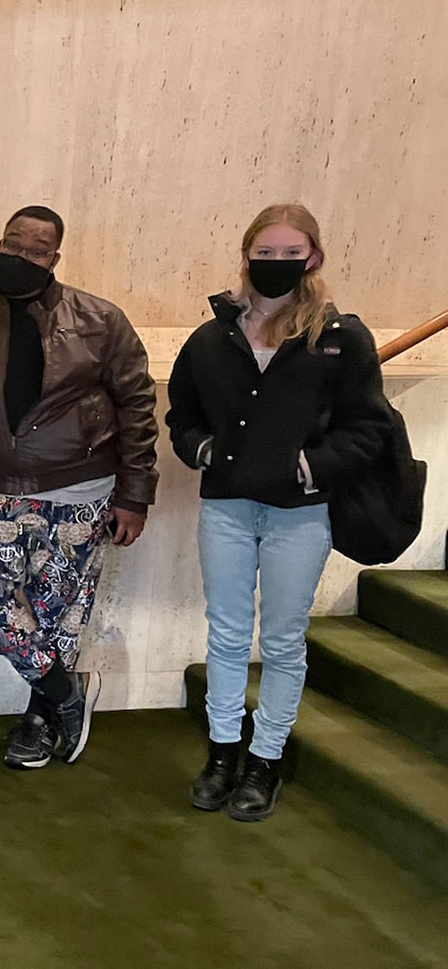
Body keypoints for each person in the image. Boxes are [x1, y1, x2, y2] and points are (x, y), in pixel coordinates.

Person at [0, 206, 158, 770]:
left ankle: (40, 721)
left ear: (54, 259)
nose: (19, 256)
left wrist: (135, 494)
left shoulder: (99, 320)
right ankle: (68, 693)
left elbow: (138, 406)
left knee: (55, 615)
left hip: (81, 489)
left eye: (35, 250)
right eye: (10, 243)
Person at [167, 203, 392, 822]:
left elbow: (368, 427)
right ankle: (221, 754)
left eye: (290, 254)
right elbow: (181, 416)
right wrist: (203, 449)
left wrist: (310, 466)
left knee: (284, 641)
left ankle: (265, 761)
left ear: (312, 258)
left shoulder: (339, 338)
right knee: (228, 635)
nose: (276, 265)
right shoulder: (211, 338)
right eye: (264, 254)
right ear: (246, 255)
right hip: (228, 509)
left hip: (301, 514)